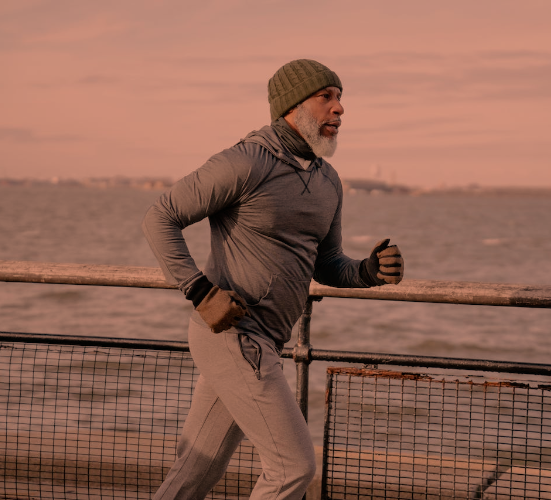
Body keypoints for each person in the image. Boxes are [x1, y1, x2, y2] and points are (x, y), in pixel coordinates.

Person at [141, 59, 404, 500]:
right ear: (291, 107)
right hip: (233, 336)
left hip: (265, 342)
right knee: (294, 469)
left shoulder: (329, 182)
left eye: (341, 98)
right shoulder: (245, 162)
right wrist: (200, 290)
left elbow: (327, 263)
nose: (340, 109)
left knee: (192, 477)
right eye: (327, 97)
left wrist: (367, 272)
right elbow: (160, 217)